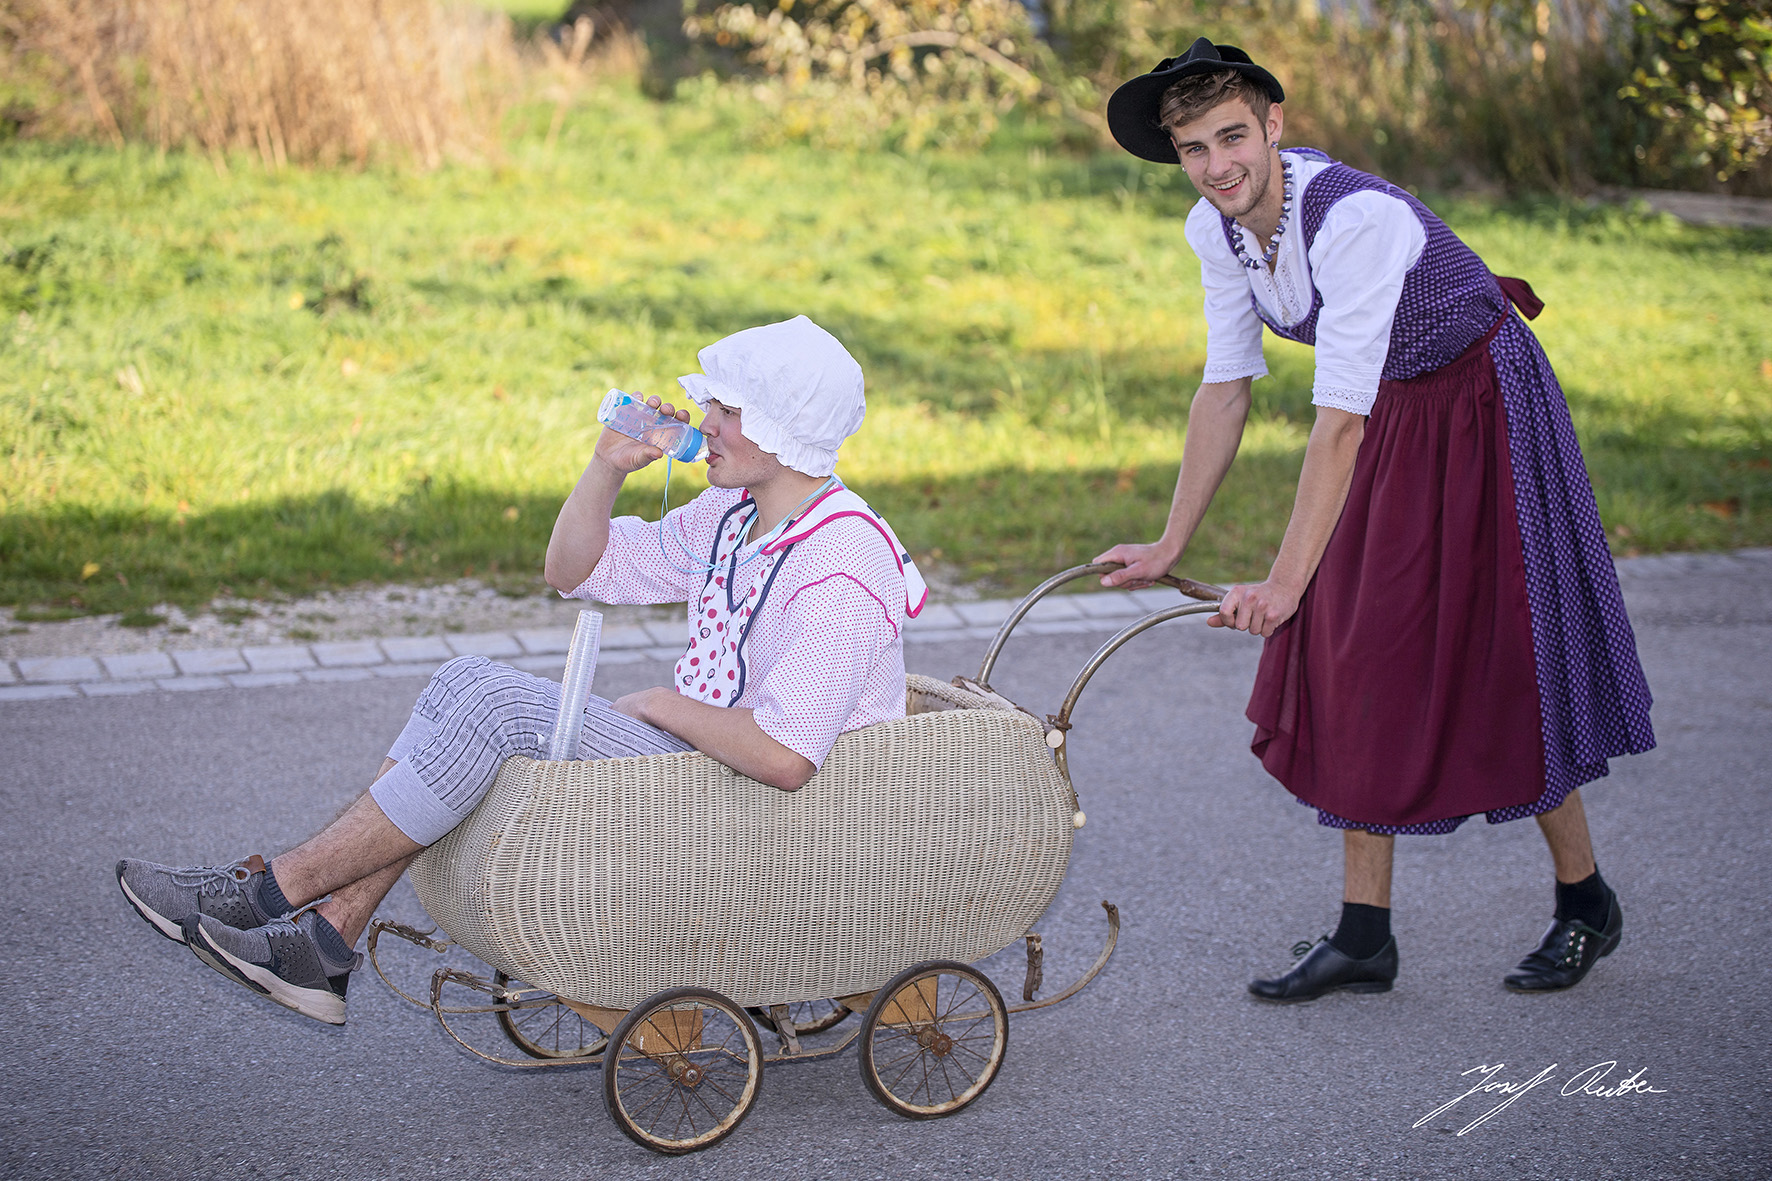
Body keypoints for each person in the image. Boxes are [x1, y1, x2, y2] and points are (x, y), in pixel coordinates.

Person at [116, 315, 926, 1024]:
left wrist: (658, 702)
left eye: (730, 410)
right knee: (463, 685)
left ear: (787, 429)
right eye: (712, 403)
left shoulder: (842, 562)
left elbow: (786, 757)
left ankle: (267, 895)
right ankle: (324, 941)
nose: (706, 422)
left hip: (770, 808)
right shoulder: (734, 513)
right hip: (708, 770)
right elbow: (574, 568)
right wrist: (607, 468)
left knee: (498, 706)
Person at [1097, 40, 1655, 1001]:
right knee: (1352, 646)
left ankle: (1585, 899)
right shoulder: (1216, 229)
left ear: (1274, 126)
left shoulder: (1355, 219)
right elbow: (1226, 386)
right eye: (1194, 148)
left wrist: (1284, 583)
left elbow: (1338, 421)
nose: (1217, 165)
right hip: (1392, 407)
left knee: (1502, 652)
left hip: (1483, 403)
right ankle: (1365, 935)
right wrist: (1169, 541)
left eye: (1233, 136)